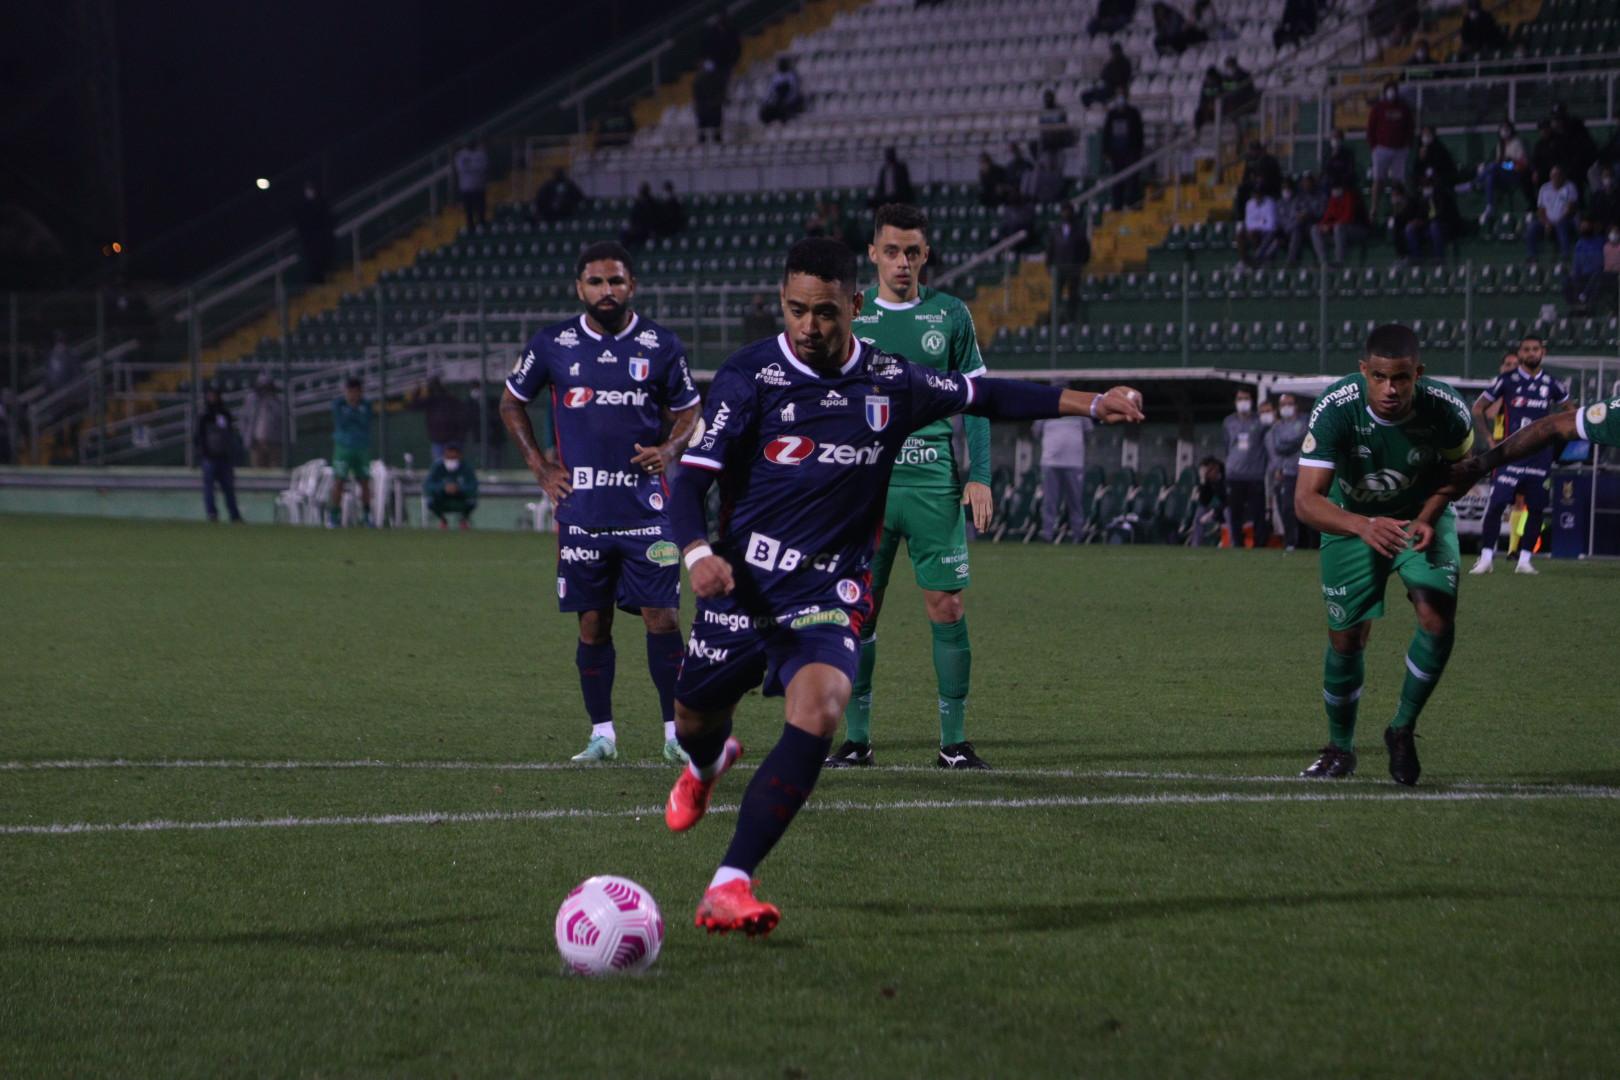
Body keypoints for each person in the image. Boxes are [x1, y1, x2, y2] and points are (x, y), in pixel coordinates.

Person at [662, 235, 1145, 935]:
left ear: (855, 305)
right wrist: (697, 553)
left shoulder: (892, 380)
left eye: (826, 312)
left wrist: (1091, 402)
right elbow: (691, 482)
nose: (809, 326)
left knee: (821, 709)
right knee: (694, 723)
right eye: (796, 310)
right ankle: (707, 765)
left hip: (828, 590)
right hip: (741, 586)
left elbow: (986, 393)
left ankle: (730, 882)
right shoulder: (749, 376)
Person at [499, 241, 702, 764]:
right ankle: (602, 736)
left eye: (615, 281)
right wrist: (541, 468)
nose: (606, 290)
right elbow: (511, 402)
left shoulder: (661, 344)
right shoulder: (552, 343)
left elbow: (690, 409)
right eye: (595, 282)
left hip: (647, 512)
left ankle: (675, 735)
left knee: (663, 619)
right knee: (593, 624)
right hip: (583, 512)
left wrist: (669, 450)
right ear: (579, 288)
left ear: (632, 286)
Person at [823, 204, 997, 771]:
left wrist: (979, 475)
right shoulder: (851, 316)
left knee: (947, 605)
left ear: (926, 256)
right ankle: (857, 741)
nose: (903, 262)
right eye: (892, 251)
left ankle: (954, 742)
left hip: (931, 482)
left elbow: (978, 400)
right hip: (864, 484)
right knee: (858, 612)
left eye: (913, 252)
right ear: (873, 253)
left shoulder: (951, 315)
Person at [1295, 323, 1475, 785]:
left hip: (1421, 516)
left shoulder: (1447, 409)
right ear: (1363, 371)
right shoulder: (1336, 407)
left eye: (1400, 378)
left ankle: (1402, 728)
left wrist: (1429, 515)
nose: (1390, 389)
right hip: (1353, 522)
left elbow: (1461, 472)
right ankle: (1340, 748)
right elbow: (1306, 501)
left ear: (1418, 373)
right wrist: (1363, 525)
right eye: (1379, 377)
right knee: (1347, 639)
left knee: (1436, 616)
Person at [1468, 334, 1572, 576]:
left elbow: (1571, 411)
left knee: (1535, 508)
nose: (1531, 353)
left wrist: (1556, 435)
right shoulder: (1507, 380)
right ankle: (1486, 558)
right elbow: (1478, 408)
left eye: (1535, 349)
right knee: (1496, 505)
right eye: (1526, 349)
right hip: (1511, 455)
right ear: (1520, 353)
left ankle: (1525, 560)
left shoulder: (1552, 383)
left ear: (1543, 352)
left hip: (1540, 457)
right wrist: (1490, 439)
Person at [1035, 415, 1093, 542]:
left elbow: (1088, 432)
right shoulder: (1043, 406)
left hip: (1074, 462)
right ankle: (1047, 533)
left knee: (1075, 500)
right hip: (1050, 462)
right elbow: (1036, 431)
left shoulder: (1080, 407)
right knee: (1049, 500)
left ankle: (1078, 533)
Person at [1223, 387, 1269, 547]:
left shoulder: (1260, 421)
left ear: (1252, 401)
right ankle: (1237, 543)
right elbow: (1227, 445)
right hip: (1234, 475)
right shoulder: (1228, 422)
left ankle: (1260, 544)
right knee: (1235, 513)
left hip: (1255, 474)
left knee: (1258, 513)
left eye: (1246, 398)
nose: (1243, 402)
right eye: (1240, 399)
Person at [1460, 121, 1530, 222]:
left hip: (1513, 172)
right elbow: (1499, 162)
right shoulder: (1500, 145)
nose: (1504, 131)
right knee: (1490, 176)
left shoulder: (1517, 143)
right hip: (1501, 172)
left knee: (1493, 166)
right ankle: (1490, 206)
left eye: (1506, 129)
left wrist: (1509, 162)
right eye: (1502, 129)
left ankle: (1472, 184)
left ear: (1511, 130)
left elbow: (1523, 164)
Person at [1367, 81, 1415, 223]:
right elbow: (1371, 127)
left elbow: (1410, 127)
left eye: (1393, 90)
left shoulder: (1403, 108)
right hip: (1381, 148)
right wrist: (1374, 146)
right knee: (1378, 179)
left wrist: (1407, 145)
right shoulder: (1378, 108)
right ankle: (1374, 207)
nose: (1391, 93)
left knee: (1397, 181)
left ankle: (1397, 209)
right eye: (1389, 90)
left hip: (1400, 149)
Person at [329, 377, 373, 528]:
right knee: (339, 481)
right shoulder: (338, 404)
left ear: (360, 392)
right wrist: (354, 413)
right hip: (343, 448)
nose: (352, 395)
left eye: (355, 392)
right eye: (350, 391)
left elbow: (365, 423)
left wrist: (352, 412)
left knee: (365, 482)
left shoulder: (366, 404)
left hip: (362, 448)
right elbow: (341, 423)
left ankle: (367, 516)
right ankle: (334, 516)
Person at [1266, 392, 1308, 551]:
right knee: (1287, 508)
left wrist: (1289, 443)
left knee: (1307, 508)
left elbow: (1304, 437)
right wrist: (1295, 443)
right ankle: (1290, 542)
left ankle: (1307, 542)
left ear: (1296, 405)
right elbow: (1278, 447)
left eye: (1289, 404)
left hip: (1304, 471)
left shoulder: (1305, 421)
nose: (1286, 407)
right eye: (1283, 405)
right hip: (1287, 472)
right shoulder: (1277, 427)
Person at [195, 386, 244, 524]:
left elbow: (230, 435)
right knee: (209, 489)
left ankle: (234, 515)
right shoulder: (204, 416)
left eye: (214, 395)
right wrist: (203, 452)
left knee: (229, 488)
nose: (212, 398)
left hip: (224, 458)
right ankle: (212, 514)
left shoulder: (225, 414)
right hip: (209, 458)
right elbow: (199, 437)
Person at [1102, 88, 1145, 211]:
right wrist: (1106, 151)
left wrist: (1138, 150)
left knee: (1132, 180)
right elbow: (1106, 134)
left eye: (1122, 95)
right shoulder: (1112, 114)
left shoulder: (1133, 113)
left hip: (1131, 153)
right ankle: (1117, 206)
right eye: (1118, 95)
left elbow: (1139, 134)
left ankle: (1132, 204)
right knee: (1117, 181)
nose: (1120, 98)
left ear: (1127, 96)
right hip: (1116, 154)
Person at [1527, 165, 1580, 264]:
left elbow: (1571, 209)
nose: (1555, 178)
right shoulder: (1544, 188)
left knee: (1561, 225)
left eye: (1558, 175)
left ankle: (1565, 255)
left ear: (1563, 176)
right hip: (1548, 222)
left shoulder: (1570, 187)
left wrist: (1557, 222)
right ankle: (1532, 256)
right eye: (1553, 175)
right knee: (1532, 227)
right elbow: (1541, 210)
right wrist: (1546, 223)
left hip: (1566, 220)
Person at [1402, 174, 1461, 263]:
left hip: (1446, 226)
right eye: (1423, 185)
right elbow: (1421, 214)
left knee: (1434, 226)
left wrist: (1425, 222)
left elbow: (1442, 215)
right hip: (1428, 226)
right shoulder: (1423, 198)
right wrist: (1417, 221)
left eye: (1427, 184)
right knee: (1409, 228)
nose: (1424, 188)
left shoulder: (1442, 195)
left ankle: (1439, 259)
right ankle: (1416, 258)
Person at [409, 376, 469, 461]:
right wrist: (417, 389)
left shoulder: (452, 401)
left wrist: (460, 437)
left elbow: (463, 420)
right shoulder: (432, 401)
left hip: (452, 440)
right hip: (439, 440)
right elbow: (414, 405)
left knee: (452, 464)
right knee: (440, 464)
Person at [1048, 202, 1090, 321]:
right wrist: (1049, 264)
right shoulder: (1055, 230)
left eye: (1068, 211)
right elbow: (1051, 248)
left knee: (1073, 294)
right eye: (1064, 211)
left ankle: (1072, 318)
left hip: (1073, 267)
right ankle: (1055, 318)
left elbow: (1086, 249)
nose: (1066, 214)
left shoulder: (1079, 230)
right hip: (1059, 267)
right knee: (1056, 294)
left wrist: (1080, 263)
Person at [1312, 179, 1368, 267]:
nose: (1334, 190)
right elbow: (1327, 216)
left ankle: (1339, 261)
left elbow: (1347, 218)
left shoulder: (1350, 196)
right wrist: (1322, 226)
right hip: (1341, 230)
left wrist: (1329, 226)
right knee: (1315, 229)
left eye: (1336, 188)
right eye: (1332, 188)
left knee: (1338, 227)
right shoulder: (1333, 198)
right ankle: (1323, 261)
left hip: (1359, 229)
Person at [424, 443, 478, 529]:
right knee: (430, 501)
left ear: (459, 456)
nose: (451, 460)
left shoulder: (466, 467)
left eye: (454, 457)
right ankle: (443, 520)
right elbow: (428, 485)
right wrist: (443, 487)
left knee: (472, 501)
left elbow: (473, 485)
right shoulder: (437, 467)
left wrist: (458, 488)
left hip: (460, 497)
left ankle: (463, 520)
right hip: (442, 497)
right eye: (449, 457)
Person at [1565, 216, 1608, 313]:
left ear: (1592, 226)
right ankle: (1575, 306)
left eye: (1586, 226)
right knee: (1567, 281)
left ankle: (1589, 305)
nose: (1584, 229)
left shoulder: (1601, 241)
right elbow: (1576, 263)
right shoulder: (1579, 244)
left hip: (1598, 274)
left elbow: (1605, 260)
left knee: (1597, 278)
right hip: (1583, 275)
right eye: (1582, 227)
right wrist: (1574, 273)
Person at [294, 181, 333, 285]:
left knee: (322, 260)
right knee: (313, 262)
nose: (309, 192)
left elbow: (328, 218)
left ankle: (323, 276)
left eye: (310, 189)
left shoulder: (321, 203)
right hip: (310, 242)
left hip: (322, 240)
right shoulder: (302, 207)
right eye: (307, 189)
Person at [243, 373, 286, 468]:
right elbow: (245, 420)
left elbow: (281, 416)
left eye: (266, 387)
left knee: (275, 469)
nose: (264, 390)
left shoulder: (277, 401)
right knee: (258, 471)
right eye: (262, 387)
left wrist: (271, 399)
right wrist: (247, 438)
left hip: (274, 442)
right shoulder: (252, 400)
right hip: (256, 443)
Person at [1282, 173, 1326, 267]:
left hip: (1315, 223)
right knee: (1296, 229)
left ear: (1312, 183)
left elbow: (1321, 213)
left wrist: (1309, 214)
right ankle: (1290, 261)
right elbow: (1294, 211)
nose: (1306, 184)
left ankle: (1322, 262)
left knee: (1313, 229)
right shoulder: (1300, 196)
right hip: (1301, 224)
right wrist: (1299, 215)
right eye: (1304, 182)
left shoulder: (1321, 196)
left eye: (1308, 182)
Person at [1081, 43, 1132, 107]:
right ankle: (1091, 110)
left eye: (1115, 51)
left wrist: (1112, 79)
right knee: (1085, 95)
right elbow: (1103, 75)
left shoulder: (1125, 63)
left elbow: (1124, 78)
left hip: (1119, 89)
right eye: (1113, 51)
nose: (1113, 53)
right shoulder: (1111, 63)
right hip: (1108, 88)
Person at [1037, 90, 1076, 173]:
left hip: (1059, 143)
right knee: (1048, 168)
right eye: (1046, 98)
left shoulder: (1060, 110)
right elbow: (1042, 129)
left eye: (1049, 98)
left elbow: (1064, 126)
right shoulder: (1042, 112)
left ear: (1053, 98)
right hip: (1047, 145)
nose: (1048, 100)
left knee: (1059, 168)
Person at [1188, 457, 1225, 546]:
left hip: (1234, 512)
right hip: (1219, 512)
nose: (1206, 474)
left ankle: (1234, 543)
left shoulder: (1225, 480)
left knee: (1228, 512)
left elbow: (1229, 502)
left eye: (1208, 471)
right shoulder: (1210, 481)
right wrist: (1203, 481)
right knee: (1200, 513)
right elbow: (1204, 501)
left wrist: (1213, 512)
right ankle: (1196, 545)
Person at [1237, 189, 1278, 268]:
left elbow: (1271, 225)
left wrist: (1256, 225)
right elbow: (1248, 223)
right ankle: (1245, 261)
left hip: (1268, 232)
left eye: (1258, 195)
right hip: (1253, 231)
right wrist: (1262, 222)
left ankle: (1257, 260)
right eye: (1255, 195)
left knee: (1254, 234)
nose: (1256, 197)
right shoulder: (1249, 203)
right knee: (1240, 235)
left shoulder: (1270, 203)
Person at [453, 141, 489, 231]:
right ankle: (470, 226)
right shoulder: (461, 154)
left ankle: (482, 224)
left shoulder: (481, 153)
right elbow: (460, 168)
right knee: (468, 209)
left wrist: (469, 166)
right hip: (466, 187)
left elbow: (483, 167)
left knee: (480, 207)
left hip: (479, 186)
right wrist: (474, 166)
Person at [760, 57, 804, 125]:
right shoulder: (775, 76)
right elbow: (771, 90)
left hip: (789, 99)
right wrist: (769, 100)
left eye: (784, 64)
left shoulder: (791, 75)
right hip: (777, 99)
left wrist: (787, 100)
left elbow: (794, 90)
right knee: (767, 109)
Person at [693, 59, 727, 144]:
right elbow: (697, 96)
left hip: (711, 108)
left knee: (714, 133)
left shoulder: (715, 80)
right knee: (705, 133)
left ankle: (715, 144)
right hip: (707, 108)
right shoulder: (699, 80)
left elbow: (721, 93)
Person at [1414, 125, 1457, 190]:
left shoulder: (1439, 148)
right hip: (1426, 177)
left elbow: (1440, 164)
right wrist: (1421, 158)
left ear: (1432, 135)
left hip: (1440, 177)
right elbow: (1417, 167)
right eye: (1423, 134)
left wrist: (1429, 173)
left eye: (1428, 134)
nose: (1425, 137)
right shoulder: (1420, 147)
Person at [1321, 129, 1358, 195]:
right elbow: (1325, 169)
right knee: (1325, 181)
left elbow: (1350, 170)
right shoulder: (1327, 153)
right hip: (1330, 182)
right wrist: (1332, 157)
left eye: (1337, 137)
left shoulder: (1348, 153)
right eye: (1333, 137)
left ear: (1342, 139)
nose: (1335, 140)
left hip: (1343, 181)